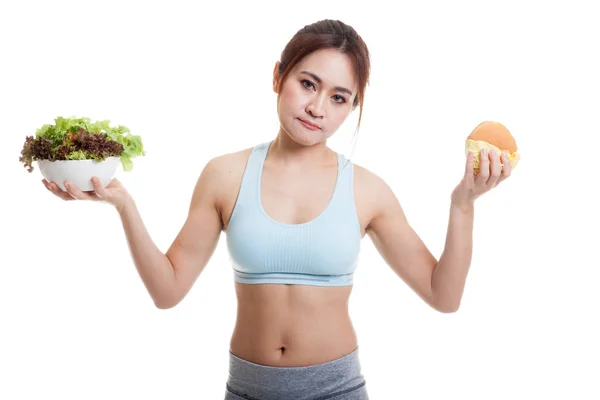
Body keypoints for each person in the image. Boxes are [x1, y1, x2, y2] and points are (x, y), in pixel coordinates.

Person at [42, 19, 512, 400]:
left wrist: (463, 204)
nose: (317, 107)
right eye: (308, 83)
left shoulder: (368, 190)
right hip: (247, 390)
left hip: (338, 391)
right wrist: (123, 204)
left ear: (352, 107)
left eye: (339, 97)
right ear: (278, 77)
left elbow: (443, 297)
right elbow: (168, 292)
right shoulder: (224, 175)